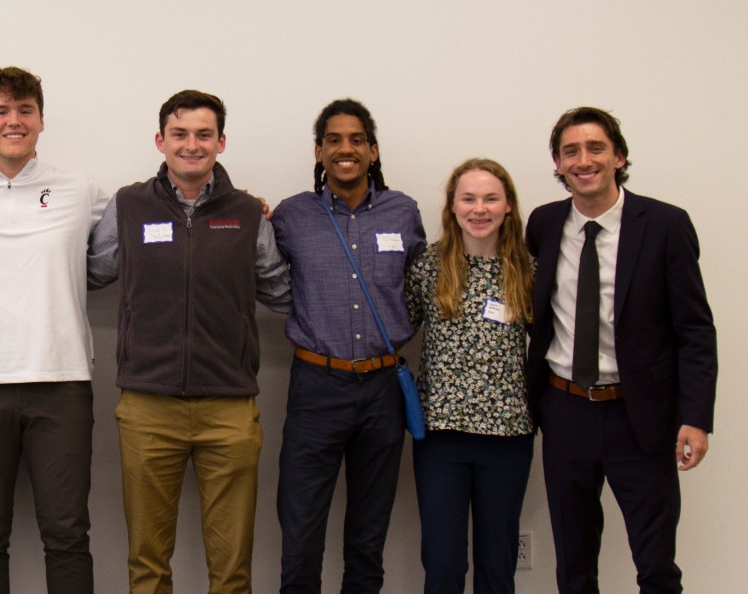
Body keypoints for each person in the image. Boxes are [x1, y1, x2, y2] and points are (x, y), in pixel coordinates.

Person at [87, 90, 290, 593]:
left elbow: (282, 290)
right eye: (180, 134)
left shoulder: (246, 212)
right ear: (160, 141)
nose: (191, 145)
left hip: (230, 409)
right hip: (147, 406)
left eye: (203, 134)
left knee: (232, 570)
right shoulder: (129, 205)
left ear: (221, 141)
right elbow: (91, 272)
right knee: (148, 565)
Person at [0, 66, 110, 594]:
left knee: (68, 533)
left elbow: (151, 217)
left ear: (41, 120)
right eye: (2, 111)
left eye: (25, 110)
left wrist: (244, 204)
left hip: (62, 382)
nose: (14, 121)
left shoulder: (78, 189)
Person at [526, 107, 716, 594]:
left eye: (595, 148)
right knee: (573, 562)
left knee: (655, 564)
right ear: (558, 163)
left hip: (641, 417)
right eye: (571, 151)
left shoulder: (666, 225)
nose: (583, 159)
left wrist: (695, 417)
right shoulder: (544, 225)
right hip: (565, 411)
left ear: (619, 157)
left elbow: (695, 330)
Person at [271, 98, 426, 594]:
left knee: (367, 537)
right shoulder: (292, 215)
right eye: (334, 140)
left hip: (383, 390)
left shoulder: (404, 212)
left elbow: (420, 287)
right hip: (317, 386)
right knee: (300, 536)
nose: (346, 149)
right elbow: (262, 275)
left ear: (373, 151)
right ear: (318, 152)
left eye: (356, 139)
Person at [404, 158, 535, 594]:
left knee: (497, 565)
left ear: (509, 206)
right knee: (443, 564)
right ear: (452, 207)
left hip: (508, 437)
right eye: (469, 198)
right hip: (441, 438)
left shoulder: (528, 272)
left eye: (491, 198)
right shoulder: (428, 268)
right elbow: (394, 327)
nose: (480, 209)